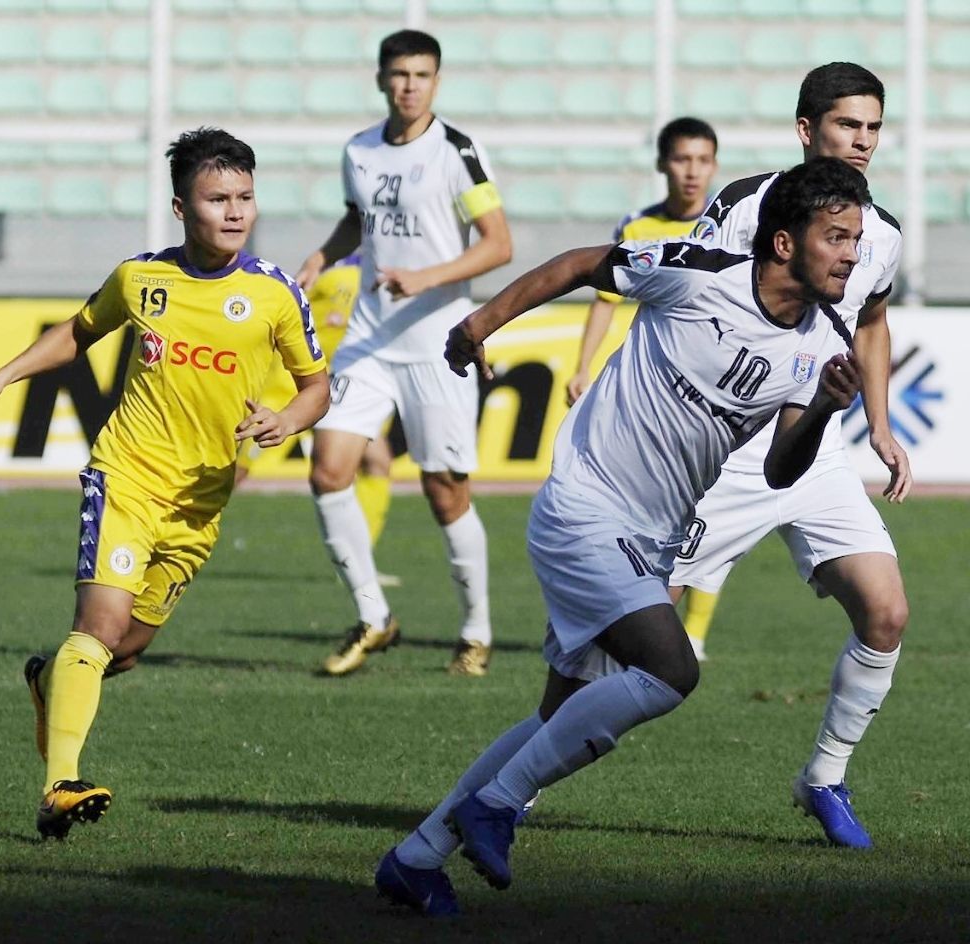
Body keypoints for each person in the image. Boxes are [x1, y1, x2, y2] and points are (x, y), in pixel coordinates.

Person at [375, 156, 870, 915]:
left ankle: (417, 858)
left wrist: (829, 409)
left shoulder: (821, 344)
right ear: (782, 242)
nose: (850, 254)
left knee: (559, 711)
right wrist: (478, 322)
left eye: (856, 240)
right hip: (585, 503)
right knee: (670, 669)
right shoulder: (698, 273)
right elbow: (579, 265)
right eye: (835, 236)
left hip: (652, 536)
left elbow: (779, 468)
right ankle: (497, 804)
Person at [0, 128, 330, 839]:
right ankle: (57, 785)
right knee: (95, 630)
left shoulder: (275, 294)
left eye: (245, 197)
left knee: (122, 650)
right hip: (126, 475)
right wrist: (1, 376)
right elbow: (77, 331)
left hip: (201, 503)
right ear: (180, 206)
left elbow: (318, 387)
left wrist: (288, 418)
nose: (234, 211)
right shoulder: (142, 279)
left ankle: (45, 682)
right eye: (217, 198)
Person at [671, 62, 912, 849]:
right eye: (849, 125)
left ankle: (825, 779)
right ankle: (518, 786)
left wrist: (878, 424)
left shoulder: (881, 234)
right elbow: (690, 302)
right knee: (631, 635)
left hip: (814, 453)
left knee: (884, 612)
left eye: (874, 127)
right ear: (807, 130)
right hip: (728, 456)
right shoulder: (745, 205)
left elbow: (870, 323)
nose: (863, 141)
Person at [295, 29, 513, 678]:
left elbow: (498, 244)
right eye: (397, 74)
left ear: (436, 82)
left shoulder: (456, 151)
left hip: (437, 342)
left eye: (420, 75)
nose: (408, 86)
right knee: (327, 469)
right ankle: (372, 616)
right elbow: (356, 222)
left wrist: (426, 277)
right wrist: (322, 254)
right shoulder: (358, 151)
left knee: (444, 492)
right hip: (370, 337)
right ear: (380, 80)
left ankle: (475, 631)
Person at [237, 252, 397, 562]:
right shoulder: (334, 273)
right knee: (239, 468)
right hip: (292, 392)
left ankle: (357, 563)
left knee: (377, 462)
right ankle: (189, 523)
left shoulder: (389, 274)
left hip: (346, 392)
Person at [565, 117, 719, 406]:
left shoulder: (726, 223)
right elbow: (605, 301)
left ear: (715, 166)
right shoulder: (637, 227)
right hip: (656, 373)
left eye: (703, 160)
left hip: (713, 371)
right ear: (661, 164)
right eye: (682, 160)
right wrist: (583, 367)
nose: (693, 172)